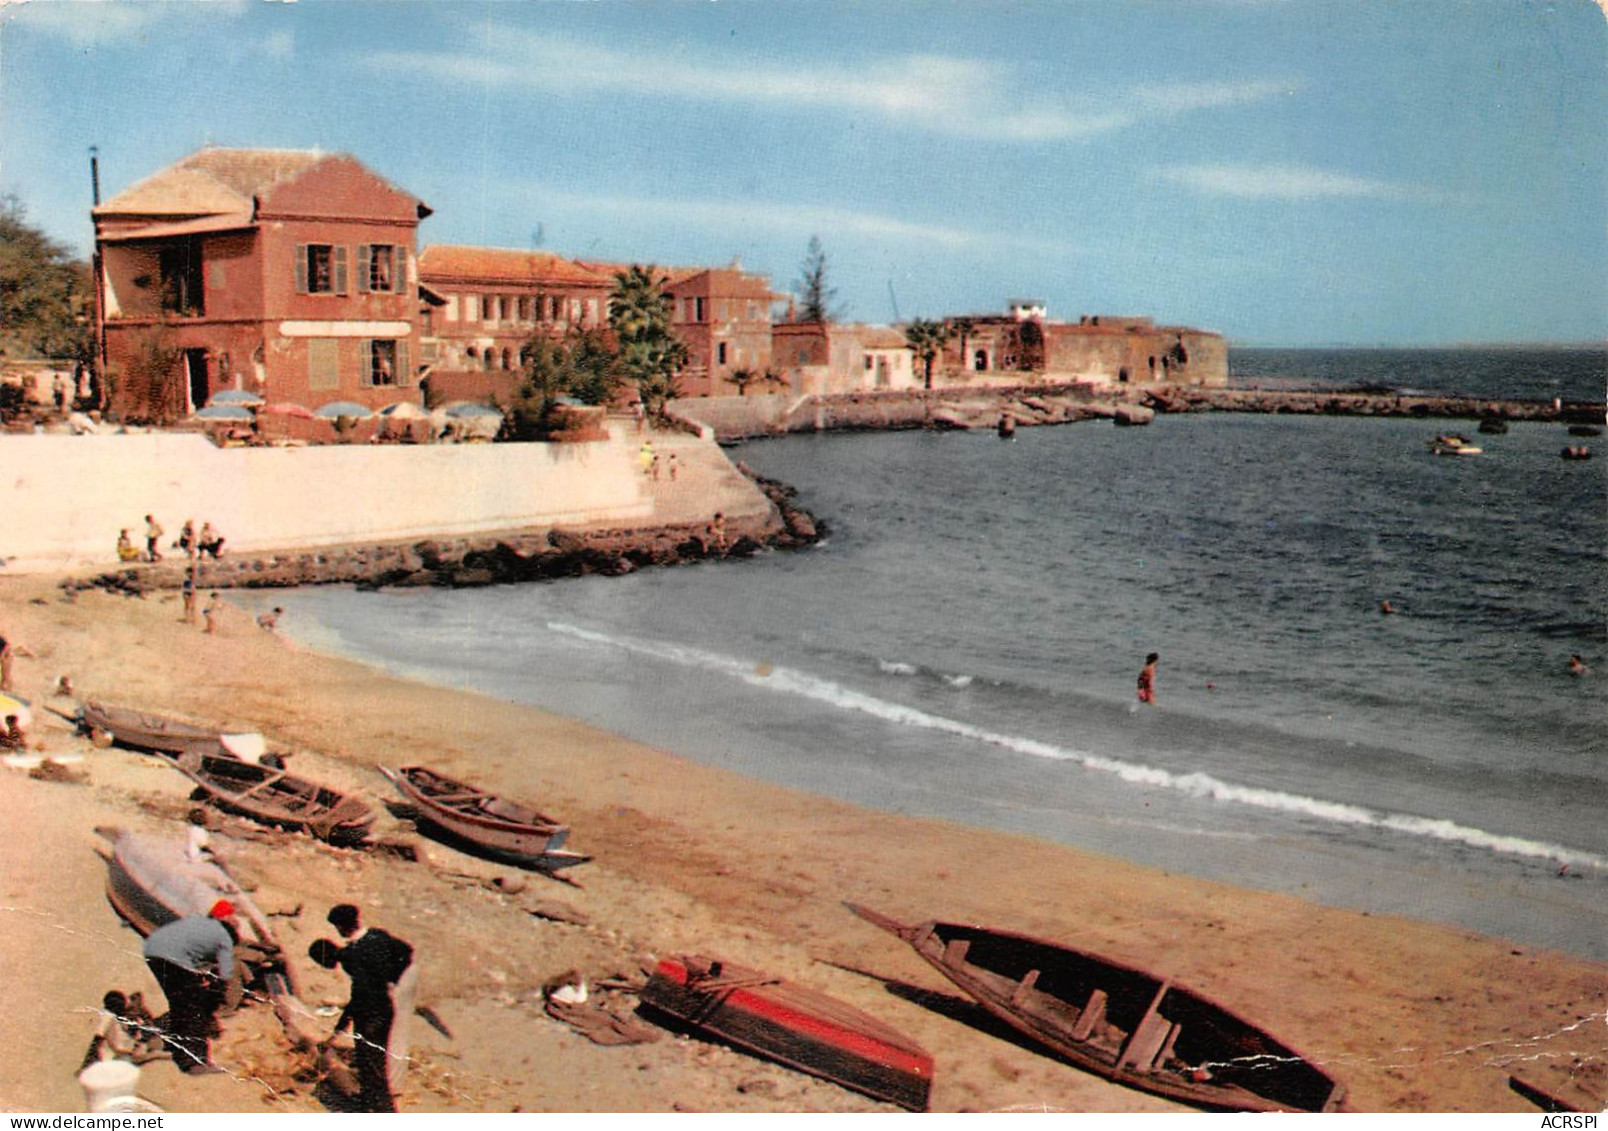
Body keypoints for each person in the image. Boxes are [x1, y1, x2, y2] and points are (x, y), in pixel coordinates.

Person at [310, 904, 415, 1112]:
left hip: (370, 1015)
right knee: (371, 1064)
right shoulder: (378, 935)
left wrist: (342, 1025)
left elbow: (359, 994)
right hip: (385, 1007)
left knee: (372, 1067)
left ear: (340, 927)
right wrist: (392, 978)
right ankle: (372, 1105)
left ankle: (383, 1111)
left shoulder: (353, 955)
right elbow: (406, 951)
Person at [141, 900, 237, 1074]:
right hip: (171, 957)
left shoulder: (199, 923)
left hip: (152, 949)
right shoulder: (224, 936)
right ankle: (193, 1061)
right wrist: (217, 996)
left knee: (180, 1003)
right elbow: (225, 974)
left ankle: (176, 1049)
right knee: (193, 1007)